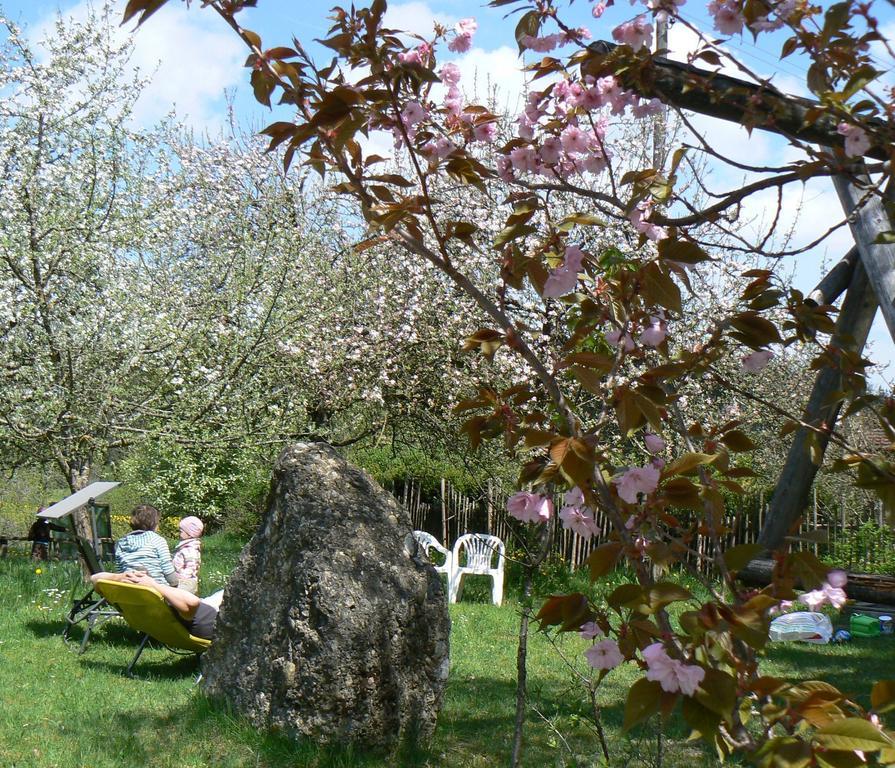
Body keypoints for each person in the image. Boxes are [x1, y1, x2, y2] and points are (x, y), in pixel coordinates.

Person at [90, 570, 222, 640]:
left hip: (200, 611)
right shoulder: (163, 599)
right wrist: (154, 585)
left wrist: (119, 577)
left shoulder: (141, 604)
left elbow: (95, 579)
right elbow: (192, 603)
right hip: (212, 619)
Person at [114, 504, 178, 586]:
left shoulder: (121, 543)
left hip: (130, 590)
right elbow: (168, 572)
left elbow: (120, 571)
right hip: (156, 591)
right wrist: (175, 584)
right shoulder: (157, 540)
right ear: (154, 524)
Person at [172, 516, 203, 595]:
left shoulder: (191, 549)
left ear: (190, 534)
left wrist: (180, 577)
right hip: (180, 580)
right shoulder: (184, 547)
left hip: (186, 583)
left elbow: (191, 567)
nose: (179, 533)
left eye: (181, 531)